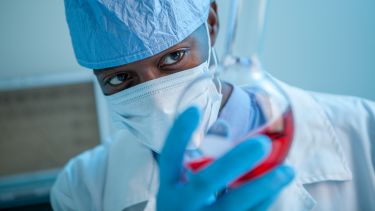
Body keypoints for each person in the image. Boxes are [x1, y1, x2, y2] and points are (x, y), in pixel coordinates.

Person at [51, 0, 375, 210]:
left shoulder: (365, 130)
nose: (158, 100)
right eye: (120, 79)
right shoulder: (81, 190)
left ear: (212, 23)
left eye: (173, 57)